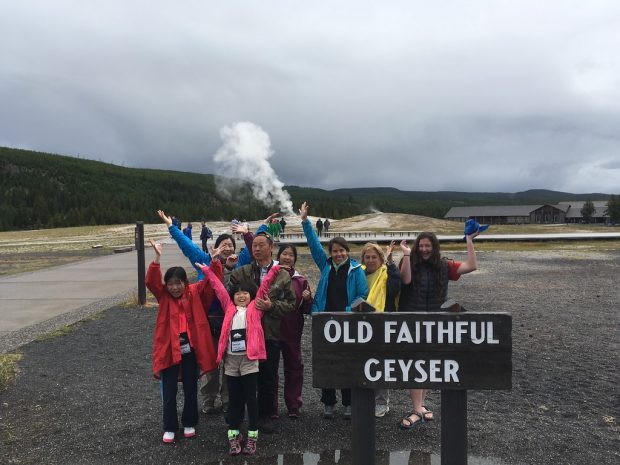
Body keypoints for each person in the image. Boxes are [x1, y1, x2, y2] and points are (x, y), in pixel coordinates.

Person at [157, 210, 251, 415]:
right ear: (215, 248)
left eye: (230, 245)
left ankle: (228, 400)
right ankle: (208, 400)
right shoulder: (204, 260)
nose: (227, 248)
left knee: (231, 363)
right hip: (207, 322)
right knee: (208, 361)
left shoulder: (241, 265)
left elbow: (254, 249)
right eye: (223, 245)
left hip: (233, 323)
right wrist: (172, 227)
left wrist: (249, 232)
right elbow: (187, 246)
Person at [199, 259, 283, 456]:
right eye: (238, 293)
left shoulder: (255, 309)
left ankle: (252, 435)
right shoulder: (229, 308)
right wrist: (207, 271)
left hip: (249, 360)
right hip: (231, 360)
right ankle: (233, 434)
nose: (242, 296)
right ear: (233, 297)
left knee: (251, 398)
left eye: (245, 293)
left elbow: (264, 287)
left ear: (250, 296)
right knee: (234, 399)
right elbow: (219, 288)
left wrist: (276, 268)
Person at [398, 230, 478, 429]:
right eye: (421, 246)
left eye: (428, 246)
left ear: (434, 248)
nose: (424, 250)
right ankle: (416, 409)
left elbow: (471, 266)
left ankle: (421, 405)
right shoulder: (409, 261)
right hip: (412, 321)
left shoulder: (443, 266)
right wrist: (406, 254)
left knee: (428, 364)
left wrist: (469, 240)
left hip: (435, 321)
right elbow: (405, 280)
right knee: (415, 364)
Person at [299, 201, 368, 419]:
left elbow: (362, 295)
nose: (338, 254)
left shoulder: (357, 270)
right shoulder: (326, 265)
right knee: (327, 362)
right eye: (335, 251)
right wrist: (305, 222)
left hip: (346, 321)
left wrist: (346, 311)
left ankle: (348, 403)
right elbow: (314, 246)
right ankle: (328, 402)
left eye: (341, 251)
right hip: (325, 319)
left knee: (346, 363)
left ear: (347, 251)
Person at [145, 239, 217, 444]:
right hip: (169, 348)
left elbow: (211, 283)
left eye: (179, 283)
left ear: (186, 283)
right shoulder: (164, 297)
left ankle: (189, 422)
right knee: (168, 390)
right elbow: (151, 281)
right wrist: (157, 258)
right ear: (166, 285)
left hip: (190, 349)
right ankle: (169, 426)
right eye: (171, 283)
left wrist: (215, 261)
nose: (175, 287)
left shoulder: (194, 292)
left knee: (190, 388)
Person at [229, 231, 296, 433]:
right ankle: (239, 415)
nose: (256, 249)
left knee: (268, 376)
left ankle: (265, 416)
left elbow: (291, 303)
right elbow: (229, 293)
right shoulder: (242, 272)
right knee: (242, 377)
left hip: (270, 332)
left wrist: (271, 306)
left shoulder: (283, 274)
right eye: (254, 246)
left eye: (260, 245)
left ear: (271, 247)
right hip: (245, 333)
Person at [360, 241, 401, 417]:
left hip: (382, 324)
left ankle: (381, 402)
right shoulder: (358, 274)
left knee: (380, 365)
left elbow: (394, 290)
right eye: (367, 257)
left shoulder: (386, 273)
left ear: (380, 258)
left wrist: (391, 264)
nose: (370, 260)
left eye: (374, 257)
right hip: (361, 324)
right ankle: (363, 401)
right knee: (362, 363)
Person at [273, 244, 313, 418]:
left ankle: (293, 405)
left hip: (292, 330)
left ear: (295, 259)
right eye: (284, 254)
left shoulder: (300, 280)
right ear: (278, 256)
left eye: (291, 255)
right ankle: (270, 406)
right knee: (270, 370)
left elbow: (306, 309)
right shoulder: (270, 274)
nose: (287, 257)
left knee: (294, 367)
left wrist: (307, 299)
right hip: (271, 329)